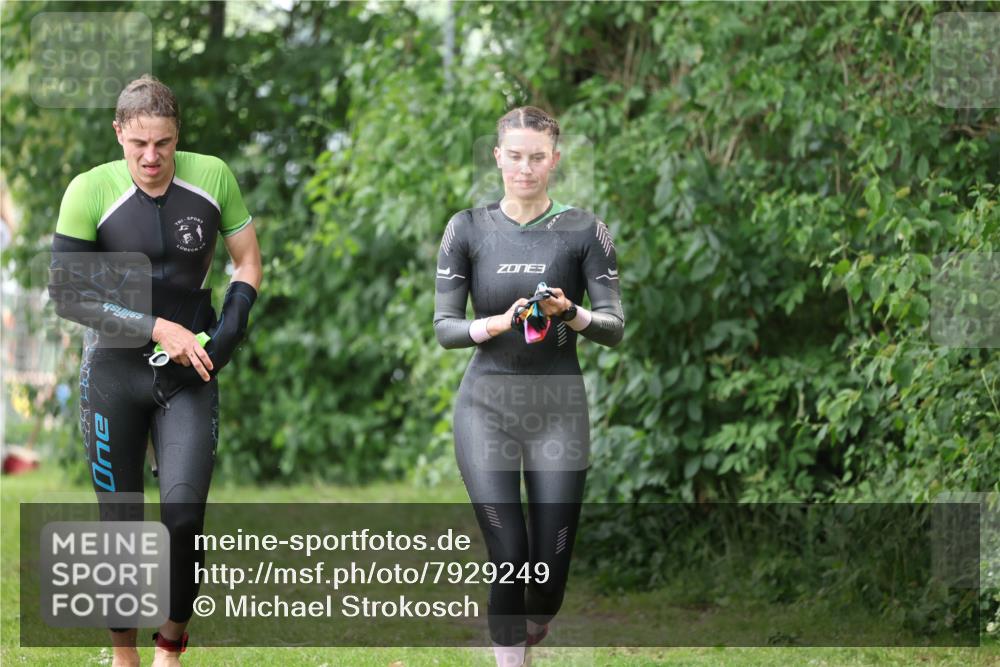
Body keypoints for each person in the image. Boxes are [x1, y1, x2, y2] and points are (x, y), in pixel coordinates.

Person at [48, 75, 262, 667]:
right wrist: (153, 326)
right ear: (119, 133)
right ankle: (123, 655)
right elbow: (66, 293)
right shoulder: (89, 190)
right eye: (138, 143)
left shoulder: (212, 176)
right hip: (114, 373)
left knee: (184, 516)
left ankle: (170, 641)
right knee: (119, 527)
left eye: (163, 143)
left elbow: (246, 260)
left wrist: (233, 323)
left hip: (188, 373)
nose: (151, 157)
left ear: (177, 137)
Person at [433, 106, 624, 667]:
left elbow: (613, 326)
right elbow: (444, 329)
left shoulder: (586, 230)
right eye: (514, 156)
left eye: (537, 157)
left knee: (547, 578)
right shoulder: (466, 227)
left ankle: (536, 617)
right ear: (497, 157)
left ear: (555, 161)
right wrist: (495, 323)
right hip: (485, 405)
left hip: (558, 407)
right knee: (509, 553)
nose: (525, 168)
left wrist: (572, 314)